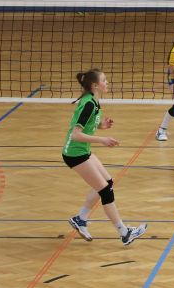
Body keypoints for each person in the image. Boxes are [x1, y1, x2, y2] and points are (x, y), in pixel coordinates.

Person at [62, 69, 147, 245]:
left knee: (108, 183)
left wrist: (102, 125)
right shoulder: (88, 104)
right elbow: (75, 135)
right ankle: (124, 233)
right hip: (75, 153)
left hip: (83, 150)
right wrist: (102, 139)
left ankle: (80, 219)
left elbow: (89, 124)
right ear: (95, 85)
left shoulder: (94, 101)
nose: (107, 83)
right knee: (105, 190)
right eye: (104, 80)